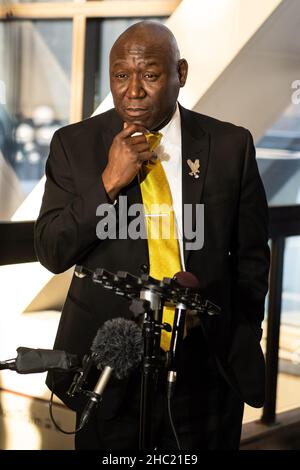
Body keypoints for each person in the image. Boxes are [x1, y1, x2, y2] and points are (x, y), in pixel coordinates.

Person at [34, 21, 270, 450]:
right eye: (121, 76)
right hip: (109, 372)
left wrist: (236, 332)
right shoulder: (74, 145)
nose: (133, 91)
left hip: (204, 369)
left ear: (180, 72)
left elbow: (253, 258)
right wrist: (108, 181)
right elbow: (52, 250)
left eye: (150, 75)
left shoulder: (231, 145)